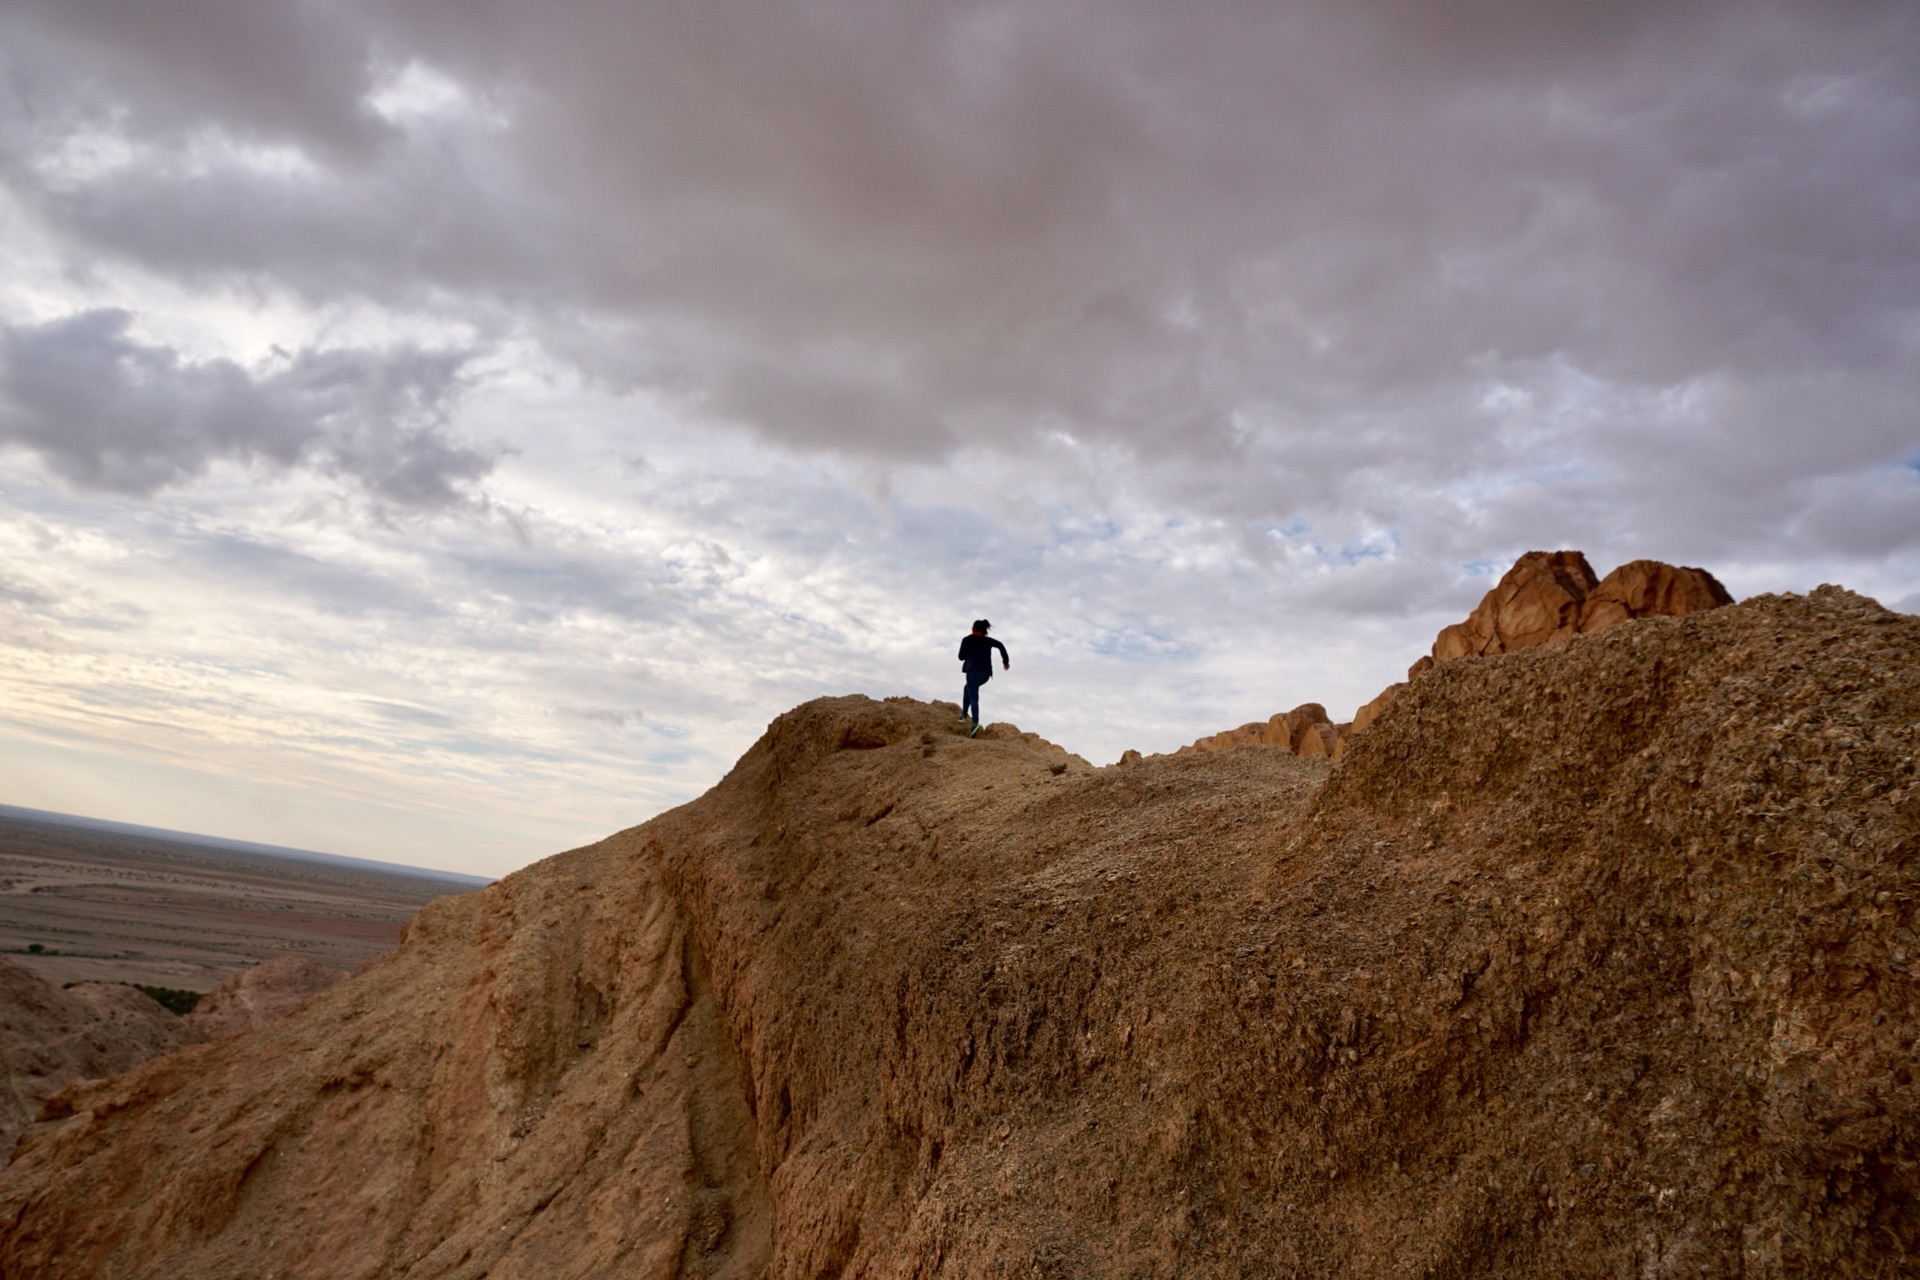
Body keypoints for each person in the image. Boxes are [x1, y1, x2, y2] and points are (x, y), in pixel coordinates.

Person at [957, 619, 1009, 736]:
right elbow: (1000, 645)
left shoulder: (967, 640)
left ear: (973, 629)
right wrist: (1005, 661)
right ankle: (964, 715)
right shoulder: (988, 641)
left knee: (974, 696)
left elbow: (961, 657)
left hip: (972, 671)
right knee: (968, 689)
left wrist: (969, 653)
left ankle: (975, 723)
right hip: (985, 674)